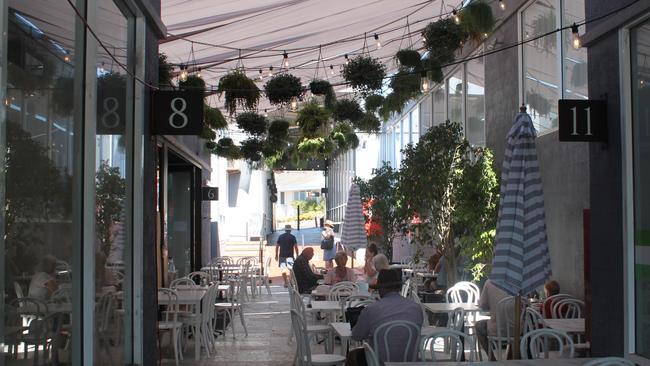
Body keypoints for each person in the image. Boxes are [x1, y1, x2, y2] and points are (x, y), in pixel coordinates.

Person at [350, 269, 423, 364]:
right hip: (409, 362)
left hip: (378, 362)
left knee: (353, 356)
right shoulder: (416, 308)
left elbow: (356, 336)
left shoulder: (371, 309)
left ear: (381, 288)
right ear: (399, 287)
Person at [475, 279, 509, 360]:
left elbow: (483, 305)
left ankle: (492, 359)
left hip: (497, 329)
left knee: (478, 325)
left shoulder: (490, 282)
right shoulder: (519, 283)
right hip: (518, 330)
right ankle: (513, 358)